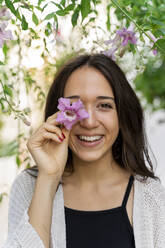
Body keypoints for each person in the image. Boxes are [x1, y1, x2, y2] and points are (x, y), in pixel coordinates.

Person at [2, 54, 165, 248]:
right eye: (73, 106)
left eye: (104, 106)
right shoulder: (29, 186)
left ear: (122, 114)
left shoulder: (152, 197)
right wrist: (49, 177)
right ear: (57, 116)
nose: (88, 122)